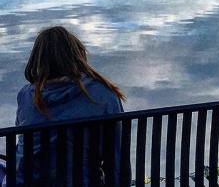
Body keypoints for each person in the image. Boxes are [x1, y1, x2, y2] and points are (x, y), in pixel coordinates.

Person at [6, 26, 128, 186]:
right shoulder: (104, 95)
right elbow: (117, 162)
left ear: (37, 60)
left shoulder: (26, 97)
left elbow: (23, 150)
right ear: (77, 56)